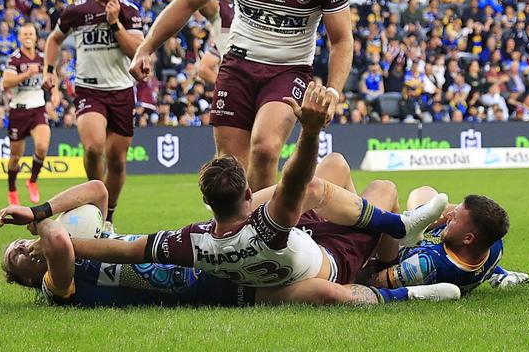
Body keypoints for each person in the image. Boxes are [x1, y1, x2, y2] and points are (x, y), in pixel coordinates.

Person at [70, 82, 449, 295]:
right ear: (248, 194)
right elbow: (299, 179)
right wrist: (312, 129)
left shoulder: (195, 242)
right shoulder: (269, 227)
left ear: (207, 202)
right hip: (331, 263)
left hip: (302, 244)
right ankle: (385, 261)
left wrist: (66, 245)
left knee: (335, 167)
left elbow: (127, 249)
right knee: (383, 187)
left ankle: (397, 229)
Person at [130, 0, 353, 192]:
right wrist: (146, 47)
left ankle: (263, 234)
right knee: (230, 166)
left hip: (288, 70)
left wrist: (334, 92)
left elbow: (341, 40)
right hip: (238, 64)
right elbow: (188, 1)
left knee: (264, 149)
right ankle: (234, 233)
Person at [0, 164, 458, 306]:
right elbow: (59, 243)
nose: (22, 246)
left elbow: (99, 189)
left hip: (220, 257)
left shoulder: (97, 240)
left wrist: (38, 210)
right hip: (222, 282)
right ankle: (391, 261)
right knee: (323, 286)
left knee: (337, 172)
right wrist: (42, 225)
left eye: (18, 244)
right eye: (16, 256)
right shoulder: (57, 285)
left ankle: (384, 252)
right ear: (25, 278)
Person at [43, 0, 143, 230]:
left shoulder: (129, 11)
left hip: (121, 91)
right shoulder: (77, 11)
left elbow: (136, 51)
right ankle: (94, 203)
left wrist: (115, 25)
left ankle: (108, 217)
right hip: (90, 89)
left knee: (117, 162)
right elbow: (54, 39)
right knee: (94, 147)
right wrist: (49, 70)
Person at [359, 186, 529, 294]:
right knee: (427, 193)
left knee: (385, 196)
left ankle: (414, 220)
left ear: (468, 239)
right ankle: (421, 217)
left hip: (392, 252)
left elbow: (373, 281)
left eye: (454, 218)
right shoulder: (494, 245)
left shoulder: (425, 265)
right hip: (448, 245)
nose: (449, 215)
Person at [2, 23, 59, 205]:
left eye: (31, 33)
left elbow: (52, 75)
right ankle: (12, 189)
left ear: (36, 37)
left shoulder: (43, 57)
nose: (28, 36)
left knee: (42, 146)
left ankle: (32, 181)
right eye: (24, 33)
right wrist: (26, 74)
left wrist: (55, 93)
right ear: (19, 37)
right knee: (15, 156)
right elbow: (6, 82)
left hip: (38, 108)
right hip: (19, 110)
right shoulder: (14, 59)